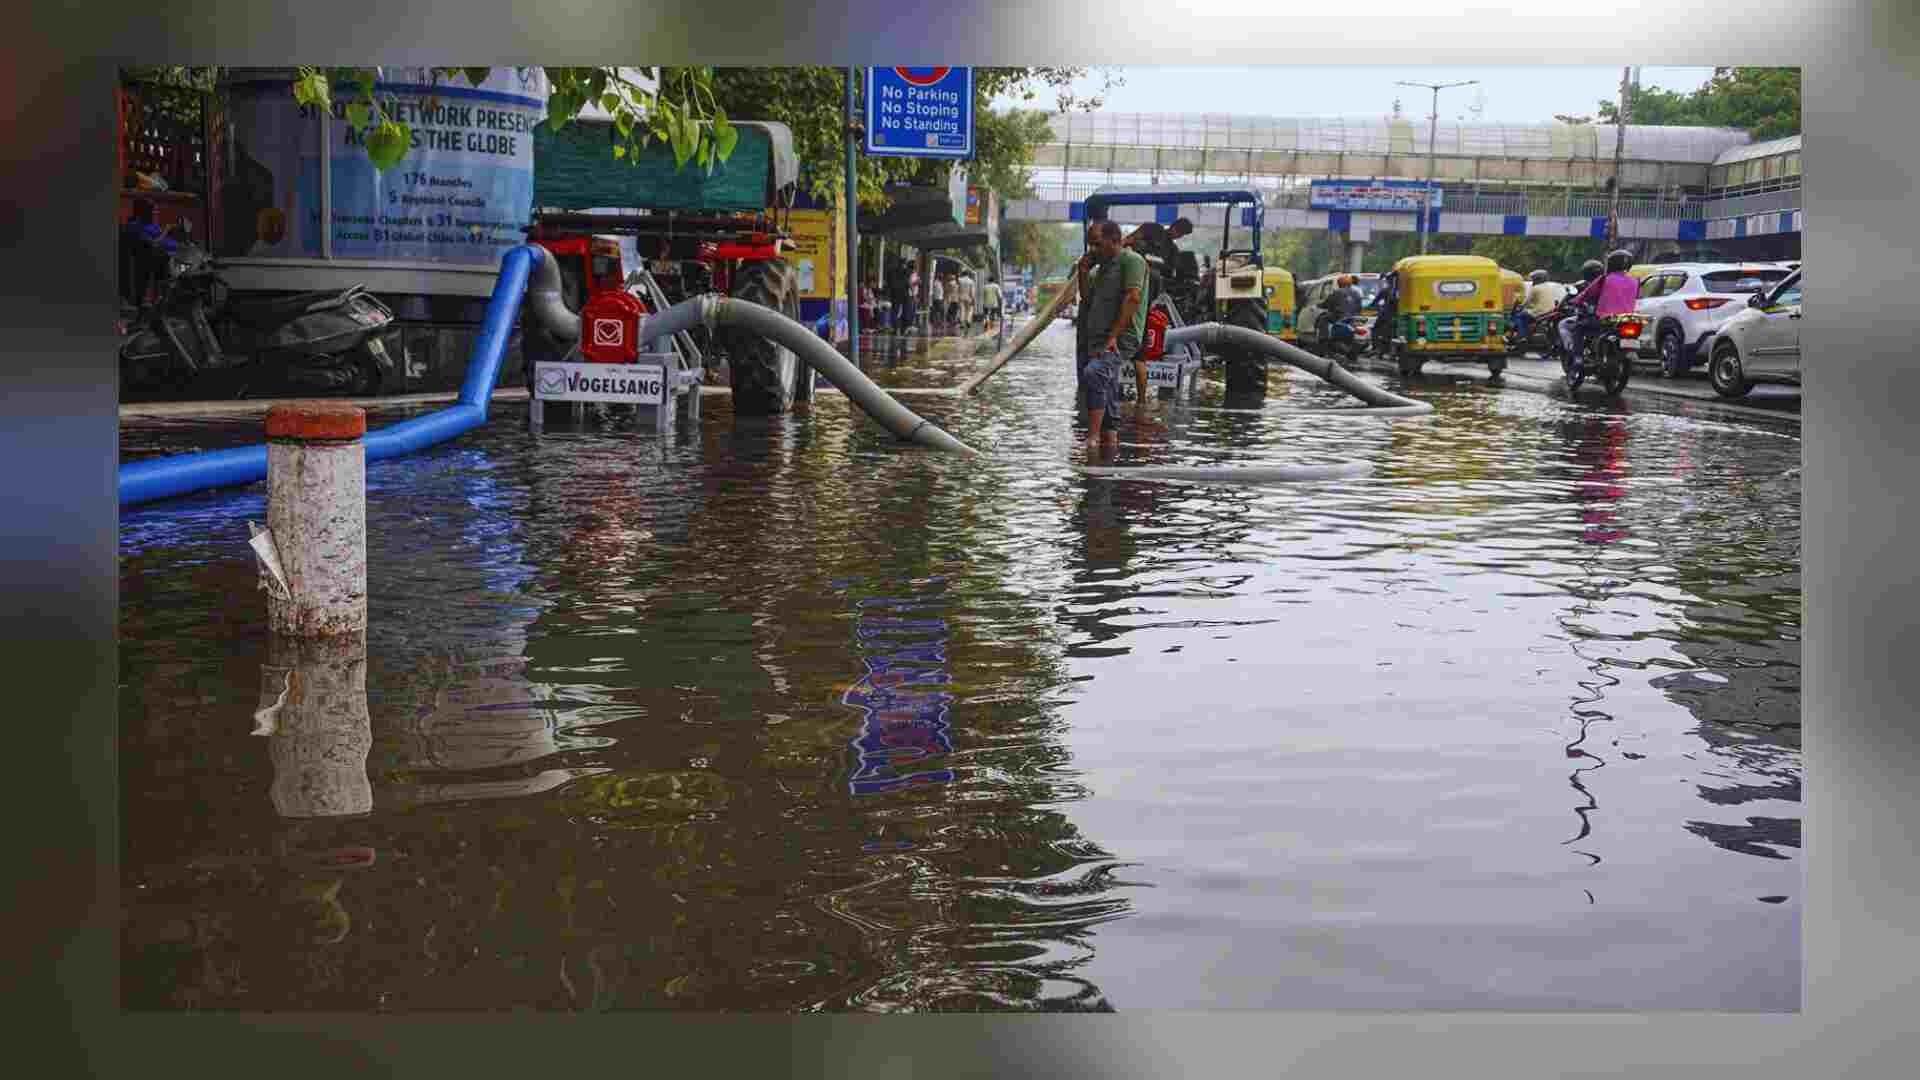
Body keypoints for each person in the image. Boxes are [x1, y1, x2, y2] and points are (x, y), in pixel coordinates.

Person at [1075, 220, 1148, 452]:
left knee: (1094, 373)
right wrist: (1083, 272)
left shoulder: (1131, 261)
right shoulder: (1102, 269)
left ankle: (1094, 438)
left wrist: (1113, 337)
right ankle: (1110, 439)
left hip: (1121, 337)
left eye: (1097, 244)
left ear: (1113, 240)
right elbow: (1087, 300)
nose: (1093, 251)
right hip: (1098, 337)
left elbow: (1133, 298)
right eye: (1090, 246)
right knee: (1107, 383)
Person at [1561, 251, 1638, 370]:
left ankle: (1578, 358)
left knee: (1578, 328)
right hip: (1625, 320)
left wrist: (1575, 301)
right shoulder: (1635, 281)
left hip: (1605, 319)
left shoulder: (1605, 279)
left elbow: (1587, 293)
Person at [1556, 259, 1607, 362]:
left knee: (1565, 325)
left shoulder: (1583, 285)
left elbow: (1572, 298)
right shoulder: (1607, 283)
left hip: (1592, 318)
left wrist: (1568, 304)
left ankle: (1575, 352)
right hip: (1608, 318)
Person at [1124, 217, 1194, 272]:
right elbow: (1129, 240)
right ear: (1173, 226)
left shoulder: (1173, 249)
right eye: (1179, 231)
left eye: (1182, 234)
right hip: (1130, 264)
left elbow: (1171, 268)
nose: (1179, 235)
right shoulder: (1153, 228)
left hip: (1150, 274)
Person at [1517, 268, 1564, 340]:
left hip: (1541, 312)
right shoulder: (1554, 285)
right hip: (1554, 310)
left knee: (1520, 316)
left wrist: (1520, 307)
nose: (1533, 281)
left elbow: (1526, 303)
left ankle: (1523, 337)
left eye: (1533, 279)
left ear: (1537, 279)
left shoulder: (1536, 288)